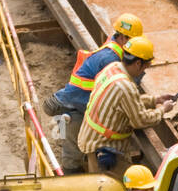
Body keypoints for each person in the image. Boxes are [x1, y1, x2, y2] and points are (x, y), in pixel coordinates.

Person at [42, 13, 144, 171]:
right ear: (123, 38)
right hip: (74, 105)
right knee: (72, 144)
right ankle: (70, 177)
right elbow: (122, 87)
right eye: (133, 41)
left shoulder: (114, 45)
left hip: (75, 99)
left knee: (73, 133)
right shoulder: (111, 58)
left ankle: (63, 135)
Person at [77, 36, 176, 175]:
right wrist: (162, 109)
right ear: (137, 63)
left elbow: (124, 102)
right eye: (145, 67)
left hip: (91, 138)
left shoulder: (112, 68)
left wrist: (155, 100)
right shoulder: (125, 86)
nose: (144, 71)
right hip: (104, 149)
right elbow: (140, 120)